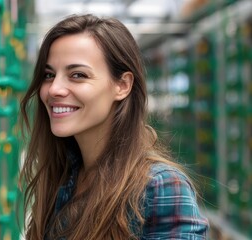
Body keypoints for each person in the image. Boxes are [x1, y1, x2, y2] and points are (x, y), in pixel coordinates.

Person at [19, 14, 209, 239]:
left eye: (78, 75)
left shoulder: (160, 187)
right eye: (49, 75)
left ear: (122, 85)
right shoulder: (62, 176)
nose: (54, 89)